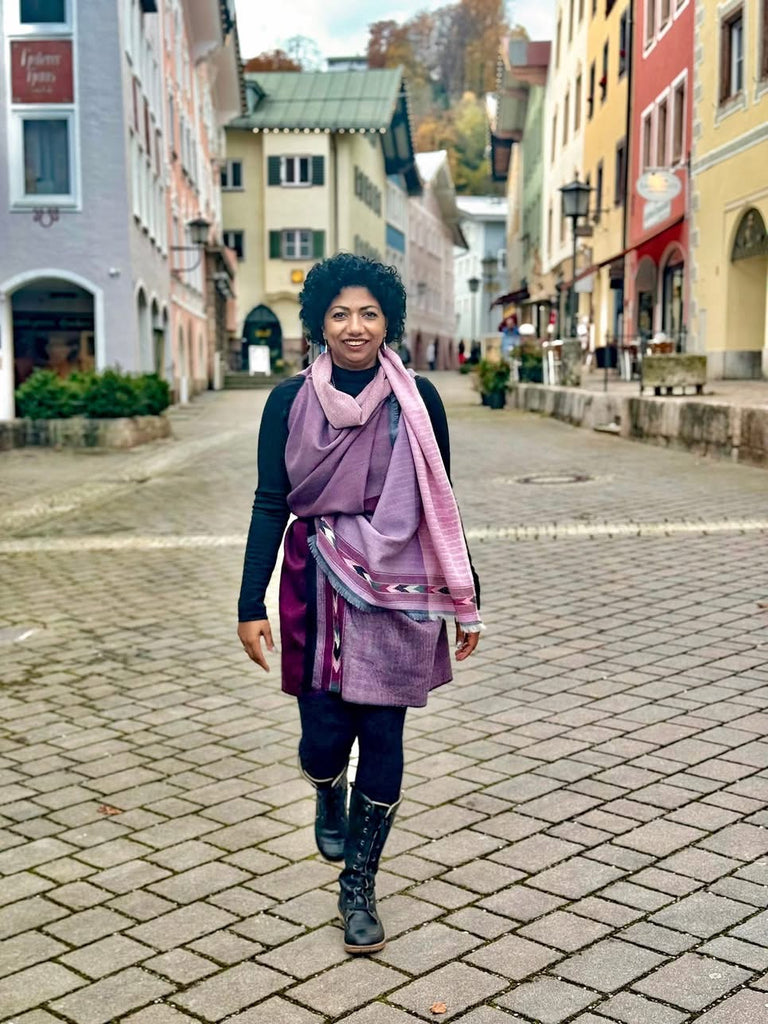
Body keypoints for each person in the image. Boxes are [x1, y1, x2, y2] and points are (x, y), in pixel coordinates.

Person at [238, 253, 482, 955]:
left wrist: (468, 596)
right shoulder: (287, 402)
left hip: (398, 591)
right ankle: (324, 789)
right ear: (319, 322)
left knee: (382, 735)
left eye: (369, 313)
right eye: (340, 313)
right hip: (313, 584)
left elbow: (441, 501)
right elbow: (268, 503)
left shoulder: (420, 399)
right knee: (323, 739)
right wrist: (248, 601)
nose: (354, 326)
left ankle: (360, 883)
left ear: (387, 324)